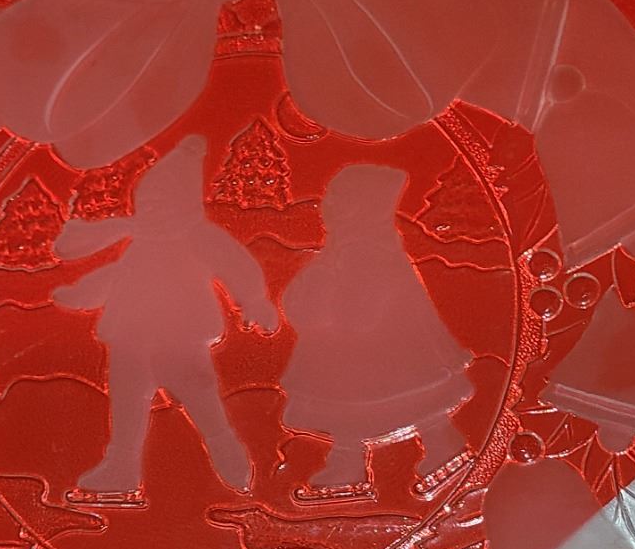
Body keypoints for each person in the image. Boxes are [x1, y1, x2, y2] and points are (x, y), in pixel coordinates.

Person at [54, 138, 277, 496]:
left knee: (201, 399)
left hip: (180, 341)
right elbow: (115, 275)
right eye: (147, 202)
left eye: (163, 202)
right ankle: (121, 467)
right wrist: (83, 293)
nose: (154, 209)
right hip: (129, 340)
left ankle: (228, 455)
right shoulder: (139, 242)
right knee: (127, 403)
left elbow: (235, 264)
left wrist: (253, 300)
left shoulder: (198, 237)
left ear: (184, 204)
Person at [281, 164, 473, 487]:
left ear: (360, 208)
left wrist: (326, 297)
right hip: (365, 355)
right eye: (330, 198)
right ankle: (351, 462)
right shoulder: (342, 250)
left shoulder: (368, 254)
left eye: (337, 199)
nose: (327, 206)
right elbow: (301, 299)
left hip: (383, 354)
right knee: (355, 407)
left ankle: (441, 448)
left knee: (391, 398)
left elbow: (357, 315)